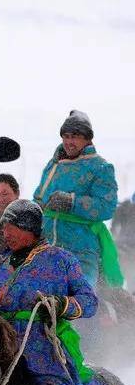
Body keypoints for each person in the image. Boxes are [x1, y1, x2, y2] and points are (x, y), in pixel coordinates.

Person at [0, 200, 127, 385]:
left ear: (30, 229)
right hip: (2, 347)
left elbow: (89, 302)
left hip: (42, 347)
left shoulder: (61, 260)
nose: (5, 234)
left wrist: (62, 304)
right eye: (4, 227)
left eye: (11, 227)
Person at [33, 110, 122, 287]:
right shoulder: (53, 164)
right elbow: (38, 198)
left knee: (80, 296)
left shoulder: (100, 167)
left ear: (87, 139)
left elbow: (107, 206)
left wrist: (72, 202)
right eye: (65, 136)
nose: (68, 142)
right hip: (45, 246)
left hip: (81, 250)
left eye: (74, 136)